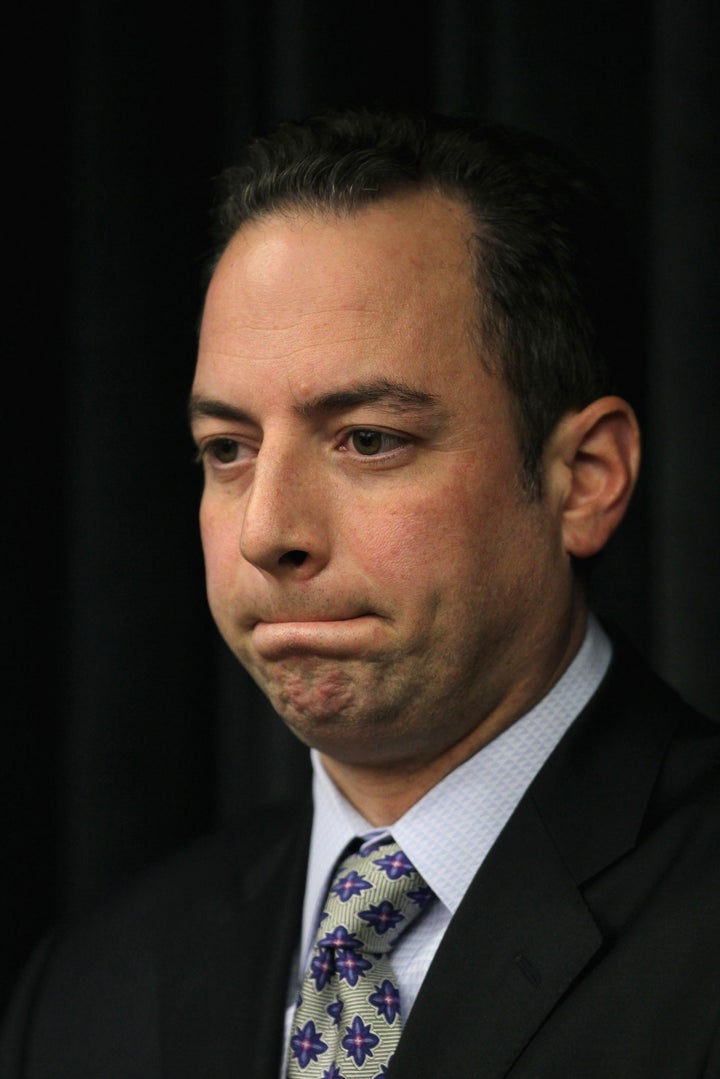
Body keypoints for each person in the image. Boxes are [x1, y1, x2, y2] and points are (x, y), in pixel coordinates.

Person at [2, 107, 719, 1078]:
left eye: (368, 439)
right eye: (228, 449)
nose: (267, 530)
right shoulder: (97, 983)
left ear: (584, 476)